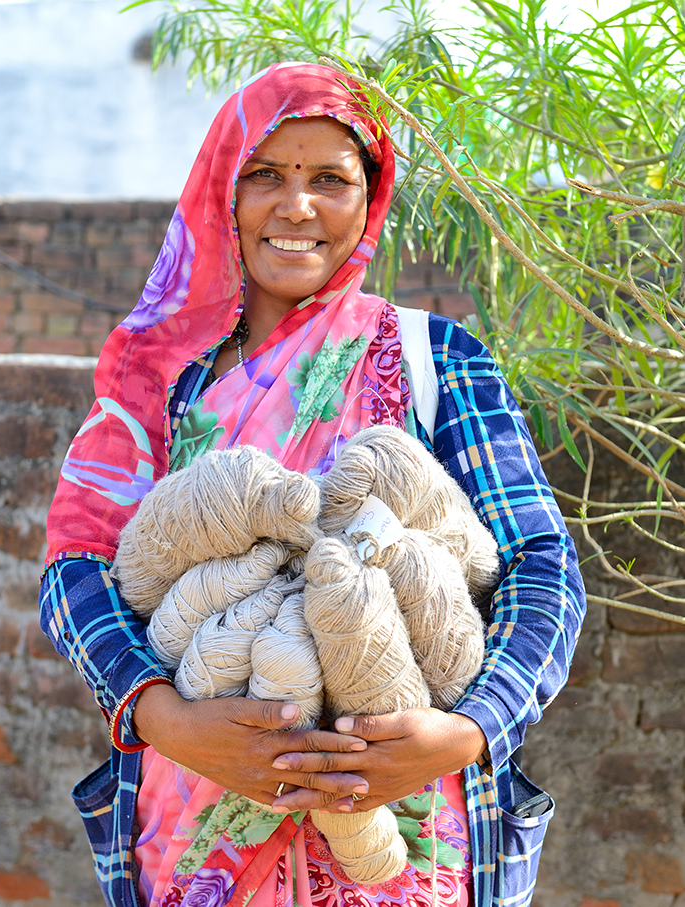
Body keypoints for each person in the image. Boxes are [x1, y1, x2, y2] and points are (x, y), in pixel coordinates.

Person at [39, 62, 586, 907]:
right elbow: (76, 572)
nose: (296, 207)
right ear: (225, 188)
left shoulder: (433, 360)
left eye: (329, 179)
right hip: (195, 836)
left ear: (370, 197)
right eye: (266, 174)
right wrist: (165, 718)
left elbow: (542, 565)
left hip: (412, 843)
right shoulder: (158, 381)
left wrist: (465, 729)